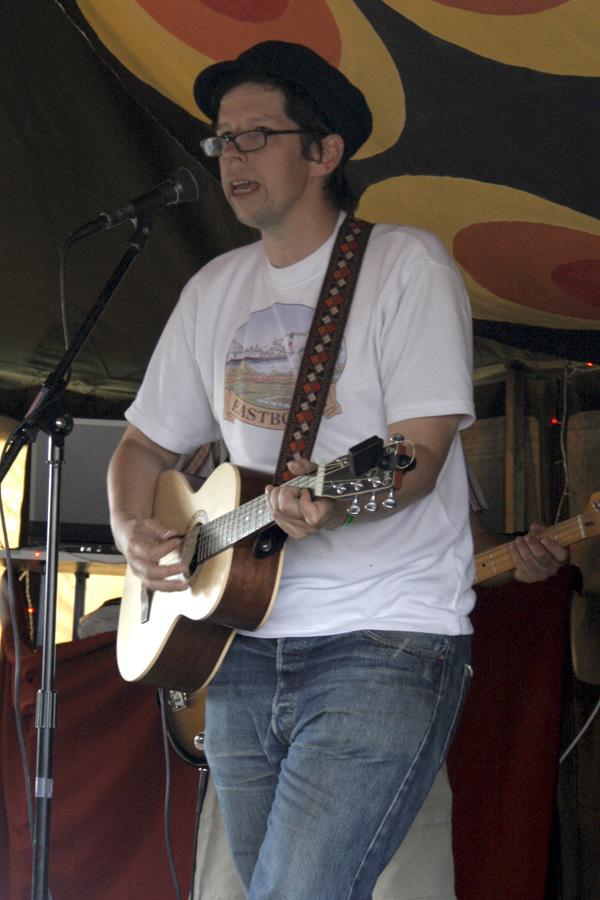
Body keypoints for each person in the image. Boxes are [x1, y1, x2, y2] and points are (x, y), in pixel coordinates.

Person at [106, 41, 555, 900]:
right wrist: (136, 534)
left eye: (256, 136)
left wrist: (339, 504)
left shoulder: (403, 266)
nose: (231, 157)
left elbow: (416, 458)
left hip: (382, 638)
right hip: (236, 647)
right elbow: (141, 449)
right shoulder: (212, 290)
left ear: (324, 152)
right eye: (222, 141)